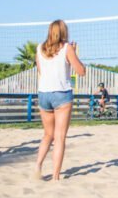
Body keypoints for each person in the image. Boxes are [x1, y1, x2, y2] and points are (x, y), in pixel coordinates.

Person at [34, 20, 85, 181]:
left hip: (44, 93)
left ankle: (38, 166)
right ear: (63, 32)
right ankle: (55, 176)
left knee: (47, 135)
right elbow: (81, 71)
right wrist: (74, 53)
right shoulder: (67, 47)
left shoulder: (39, 48)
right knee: (60, 137)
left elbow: (41, 71)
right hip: (61, 93)